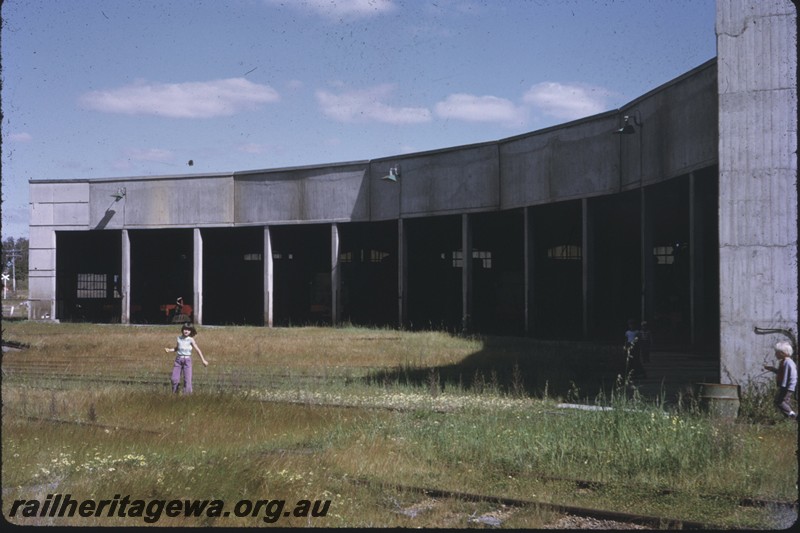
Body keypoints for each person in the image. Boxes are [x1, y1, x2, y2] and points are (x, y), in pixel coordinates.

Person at [164, 323, 208, 394]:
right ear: (182, 330)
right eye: (185, 329)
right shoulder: (179, 338)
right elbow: (177, 348)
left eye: (188, 330)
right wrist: (169, 350)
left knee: (187, 380)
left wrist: (203, 360)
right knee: (174, 379)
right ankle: (175, 393)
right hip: (178, 360)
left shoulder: (191, 340)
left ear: (191, 331)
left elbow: (197, 350)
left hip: (187, 360)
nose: (186, 331)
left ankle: (187, 396)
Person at [763, 341, 797, 420]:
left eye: (777, 353)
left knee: (780, 401)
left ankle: (793, 415)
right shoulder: (784, 362)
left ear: (783, 353)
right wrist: (772, 369)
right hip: (784, 386)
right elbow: (782, 373)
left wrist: (789, 386)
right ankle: (790, 418)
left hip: (787, 387)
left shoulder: (788, 362)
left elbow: (792, 375)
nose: (776, 355)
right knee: (784, 402)